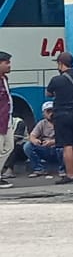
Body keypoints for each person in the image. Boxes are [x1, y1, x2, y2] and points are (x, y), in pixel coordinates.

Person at [47, 51, 73, 185]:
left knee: (67, 146)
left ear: (60, 64)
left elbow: (48, 94)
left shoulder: (56, 80)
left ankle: (70, 175)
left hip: (62, 116)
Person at [24, 101, 65, 178]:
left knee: (63, 148)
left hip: (57, 149)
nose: (51, 113)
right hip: (45, 149)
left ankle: (62, 169)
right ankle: (39, 169)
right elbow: (32, 136)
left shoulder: (61, 122)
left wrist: (53, 142)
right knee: (28, 146)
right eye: (48, 111)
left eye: (53, 111)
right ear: (44, 113)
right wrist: (35, 141)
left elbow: (66, 138)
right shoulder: (42, 123)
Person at [0, 51, 13, 189]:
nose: (9, 65)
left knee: (9, 147)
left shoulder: (5, 79)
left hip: (7, 118)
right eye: (6, 63)